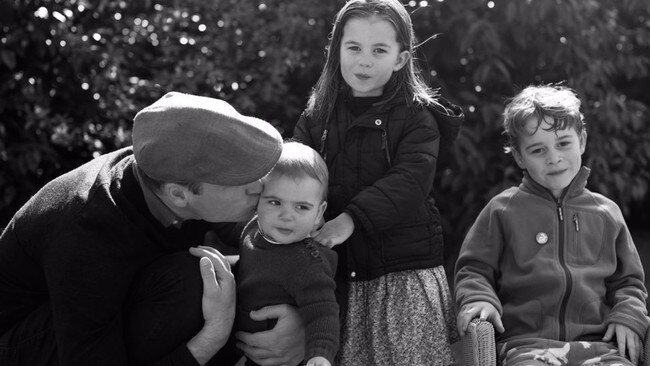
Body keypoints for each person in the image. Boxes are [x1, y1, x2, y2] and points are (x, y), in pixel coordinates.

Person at [0, 91, 305, 366]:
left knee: (234, 276)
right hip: (27, 342)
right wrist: (215, 333)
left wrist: (301, 321)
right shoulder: (88, 232)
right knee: (191, 282)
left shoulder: (170, 168)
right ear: (179, 194)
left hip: (99, 314)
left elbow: (278, 253)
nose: (261, 186)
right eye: (242, 180)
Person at [292, 0, 464, 364]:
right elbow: (297, 176)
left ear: (401, 59)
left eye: (379, 50)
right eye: (353, 47)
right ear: (335, 50)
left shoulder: (418, 116)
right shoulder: (316, 115)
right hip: (337, 277)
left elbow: (409, 181)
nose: (364, 60)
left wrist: (350, 220)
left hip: (401, 276)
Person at [455, 84, 650, 365]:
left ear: (581, 141)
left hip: (600, 346)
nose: (554, 157)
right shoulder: (502, 210)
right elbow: (473, 269)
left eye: (563, 143)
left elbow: (628, 282)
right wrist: (479, 299)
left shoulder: (607, 212)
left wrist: (628, 316)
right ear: (520, 157)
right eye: (537, 150)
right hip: (526, 346)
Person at [236, 141, 339, 366]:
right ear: (258, 201)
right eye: (275, 202)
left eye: (301, 207)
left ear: (319, 212)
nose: (286, 216)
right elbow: (252, 266)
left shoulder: (308, 263)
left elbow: (323, 314)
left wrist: (319, 355)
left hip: (280, 359)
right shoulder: (253, 230)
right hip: (245, 345)